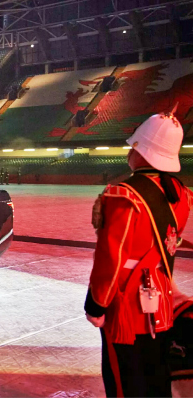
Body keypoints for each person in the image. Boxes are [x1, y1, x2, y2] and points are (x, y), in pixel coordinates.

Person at [85, 109, 192, 397]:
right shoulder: (182, 194)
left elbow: (111, 257)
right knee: (157, 378)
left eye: (134, 146)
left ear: (141, 151)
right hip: (162, 301)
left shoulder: (124, 195)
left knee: (125, 382)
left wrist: (96, 305)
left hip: (127, 307)